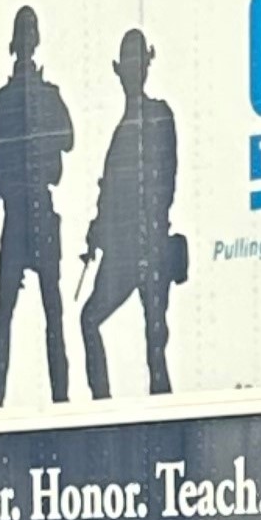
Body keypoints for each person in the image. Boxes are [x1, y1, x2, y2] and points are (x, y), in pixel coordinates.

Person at [80, 29, 180, 399]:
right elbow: (109, 197)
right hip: (127, 251)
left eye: (136, 64)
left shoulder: (156, 118)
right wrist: (97, 233)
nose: (131, 73)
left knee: (155, 343)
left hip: (146, 248)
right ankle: (103, 407)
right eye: (128, 66)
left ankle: (162, 421)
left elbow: (163, 184)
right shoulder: (123, 133)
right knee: (93, 321)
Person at [0, 6, 75, 408]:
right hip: (31, 206)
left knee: (23, 312)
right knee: (39, 310)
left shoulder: (11, 99)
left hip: (24, 208)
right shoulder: (37, 96)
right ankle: (51, 398)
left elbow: (66, 138)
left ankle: (22, 399)